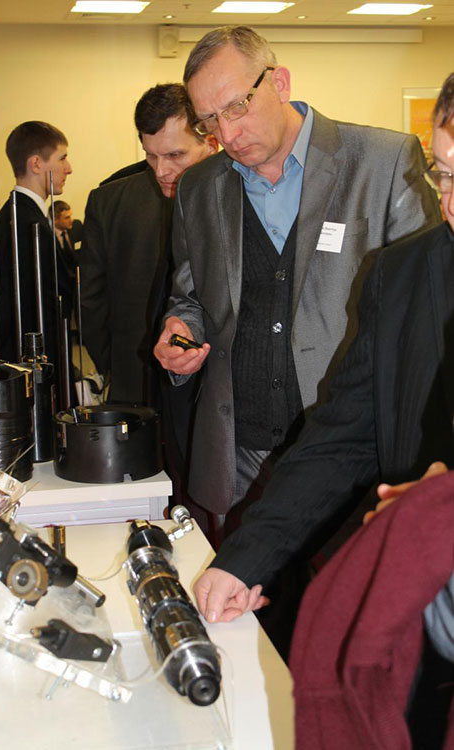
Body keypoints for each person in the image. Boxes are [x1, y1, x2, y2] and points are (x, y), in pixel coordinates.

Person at [154, 26, 441, 532]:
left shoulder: (382, 162)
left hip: (346, 452)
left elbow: (428, 309)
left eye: (237, 106)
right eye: (209, 120)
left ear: (279, 82)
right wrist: (180, 331)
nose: (227, 134)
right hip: (238, 451)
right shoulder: (199, 188)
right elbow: (190, 296)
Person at [192, 71, 454, 626]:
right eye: (446, 176)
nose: (452, 205)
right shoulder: (403, 276)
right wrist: (242, 561)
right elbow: (343, 435)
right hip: (420, 606)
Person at [80, 83, 218, 407]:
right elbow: (89, 300)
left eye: (174, 155)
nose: (161, 171)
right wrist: (118, 365)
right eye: (150, 155)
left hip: (209, 385)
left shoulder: (242, 194)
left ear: (211, 143)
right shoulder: (107, 200)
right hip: (137, 382)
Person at [0, 120, 73, 367]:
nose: (69, 169)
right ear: (36, 164)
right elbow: (35, 309)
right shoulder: (27, 223)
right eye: (62, 158)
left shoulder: (16, 215)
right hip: (27, 365)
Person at [50, 199, 80, 279]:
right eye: (67, 218)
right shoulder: (48, 234)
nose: (71, 220)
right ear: (55, 220)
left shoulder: (77, 227)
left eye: (71, 216)